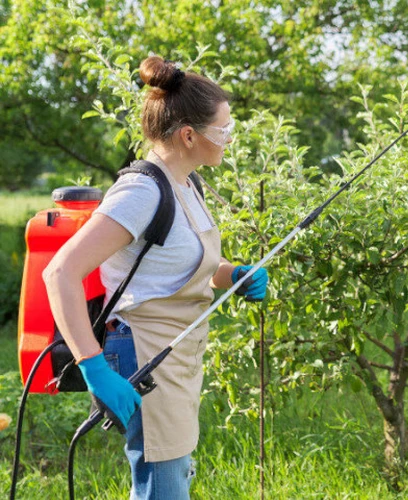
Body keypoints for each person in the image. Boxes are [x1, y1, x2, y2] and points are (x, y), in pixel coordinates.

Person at [43, 55, 267, 499]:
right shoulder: (143, 191)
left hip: (176, 354)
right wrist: (93, 367)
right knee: (163, 490)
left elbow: (174, 268)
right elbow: (61, 272)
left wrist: (232, 275)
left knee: (169, 481)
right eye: (224, 131)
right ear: (189, 135)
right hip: (143, 352)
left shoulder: (187, 184)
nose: (230, 139)